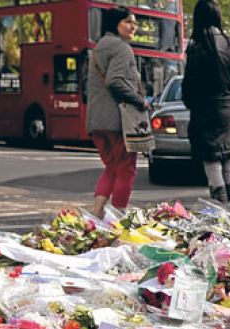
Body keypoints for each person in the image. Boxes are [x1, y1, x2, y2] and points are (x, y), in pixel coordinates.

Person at [86, 6, 148, 218]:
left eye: (134, 23)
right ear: (116, 24)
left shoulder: (99, 48)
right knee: (126, 170)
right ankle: (118, 217)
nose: (133, 26)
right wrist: (139, 101)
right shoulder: (121, 48)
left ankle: (96, 213)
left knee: (112, 168)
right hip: (118, 121)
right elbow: (115, 81)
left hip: (96, 122)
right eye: (128, 22)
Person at [182, 0, 230, 203]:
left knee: (211, 161)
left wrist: (190, 103)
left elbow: (189, 86)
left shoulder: (198, 47)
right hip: (229, 108)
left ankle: (221, 206)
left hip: (207, 111)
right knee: (227, 159)